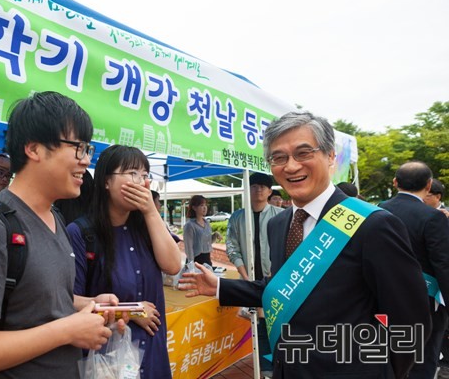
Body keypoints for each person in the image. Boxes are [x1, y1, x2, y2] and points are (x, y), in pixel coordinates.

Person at [180, 111, 431, 378]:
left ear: (330, 156)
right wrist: (220, 286)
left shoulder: (373, 225)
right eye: (279, 158)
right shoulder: (278, 224)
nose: (290, 166)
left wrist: (384, 372)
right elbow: (284, 288)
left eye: (303, 153)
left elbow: (411, 321)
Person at [0, 91, 124, 378]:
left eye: (88, 150)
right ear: (34, 149)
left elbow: (35, 296)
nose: (86, 161)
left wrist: (89, 306)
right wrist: (67, 330)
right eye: (78, 147)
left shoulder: (55, 218)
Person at [67, 144, 180, 379]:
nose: (141, 181)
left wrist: (151, 212)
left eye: (145, 175)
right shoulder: (80, 232)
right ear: (106, 182)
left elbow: (173, 266)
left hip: (153, 350)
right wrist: (133, 312)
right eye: (132, 173)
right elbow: (70, 302)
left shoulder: (148, 226)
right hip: (108, 357)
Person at [379, 161, 449, 378]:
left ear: (395, 182)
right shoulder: (432, 217)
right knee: (423, 357)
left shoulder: (376, 211)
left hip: (379, 297)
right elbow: (443, 264)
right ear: (429, 185)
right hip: (424, 302)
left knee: (384, 355)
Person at [226, 172, 283, 377]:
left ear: (269, 191)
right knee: (257, 324)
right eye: (254, 186)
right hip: (250, 279)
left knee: (275, 322)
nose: (258, 189)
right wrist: (245, 275)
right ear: (248, 190)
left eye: (263, 186)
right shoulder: (238, 217)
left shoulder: (281, 214)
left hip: (276, 279)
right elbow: (232, 247)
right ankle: (265, 368)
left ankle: (278, 365)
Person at [183, 195, 213, 267]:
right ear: (194, 208)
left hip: (207, 259)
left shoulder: (206, 223)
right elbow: (188, 247)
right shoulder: (190, 225)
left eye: (205, 205)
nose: (205, 208)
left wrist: (215, 235)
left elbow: (207, 241)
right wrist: (191, 264)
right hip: (196, 260)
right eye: (202, 205)